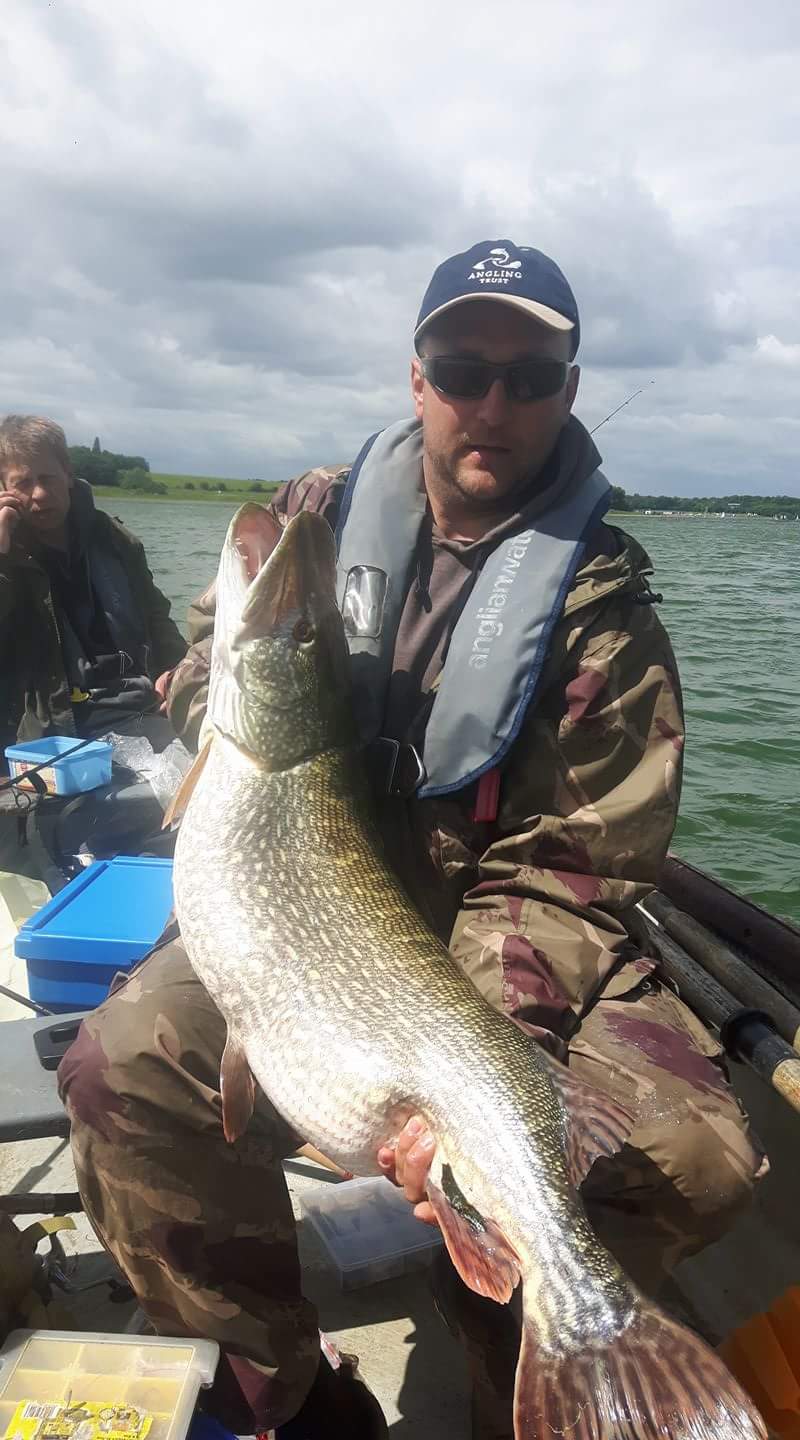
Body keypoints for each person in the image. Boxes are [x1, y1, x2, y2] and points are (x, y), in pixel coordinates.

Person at [58, 241, 765, 1439]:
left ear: (568, 388)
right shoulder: (313, 521)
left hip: (489, 946)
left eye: (529, 376)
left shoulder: (603, 615)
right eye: (461, 367)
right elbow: (196, 676)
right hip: (300, 916)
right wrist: (220, 697)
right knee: (116, 1065)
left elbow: (569, 872)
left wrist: (464, 1071)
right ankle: (289, 1394)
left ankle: (514, 1334)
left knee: (692, 1156)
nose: (493, 402)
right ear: (417, 377)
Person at [0, 415, 186, 758]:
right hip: (52, 727)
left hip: (140, 703)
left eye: (48, 478)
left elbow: (158, 620)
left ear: (68, 474)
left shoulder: (116, 540)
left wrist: (178, 674)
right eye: (23, 483)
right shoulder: (6, 553)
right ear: (4, 490)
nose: (39, 493)